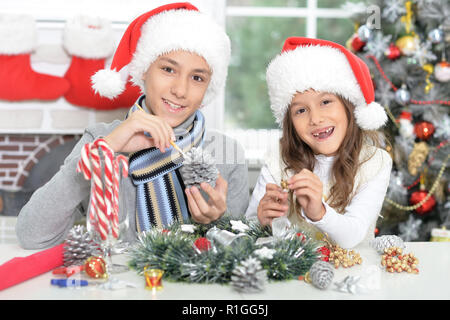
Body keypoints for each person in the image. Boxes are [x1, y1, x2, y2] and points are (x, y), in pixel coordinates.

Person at [16, 2, 249, 249]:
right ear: (144, 71)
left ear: (208, 89)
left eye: (197, 77)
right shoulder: (101, 139)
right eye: (168, 69)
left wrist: (217, 222)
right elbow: (32, 235)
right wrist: (106, 149)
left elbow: (240, 255)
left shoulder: (227, 152)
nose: (180, 90)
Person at [245, 37, 392, 249]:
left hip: (355, 274)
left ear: (349, 106)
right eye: (301, 110)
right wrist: (261, 221)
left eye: (325, 102)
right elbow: (248, 230)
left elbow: (353, 235)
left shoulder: (374, 163)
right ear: (290, 122)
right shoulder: (279, 161)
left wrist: (319, 213)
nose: (315, 119)